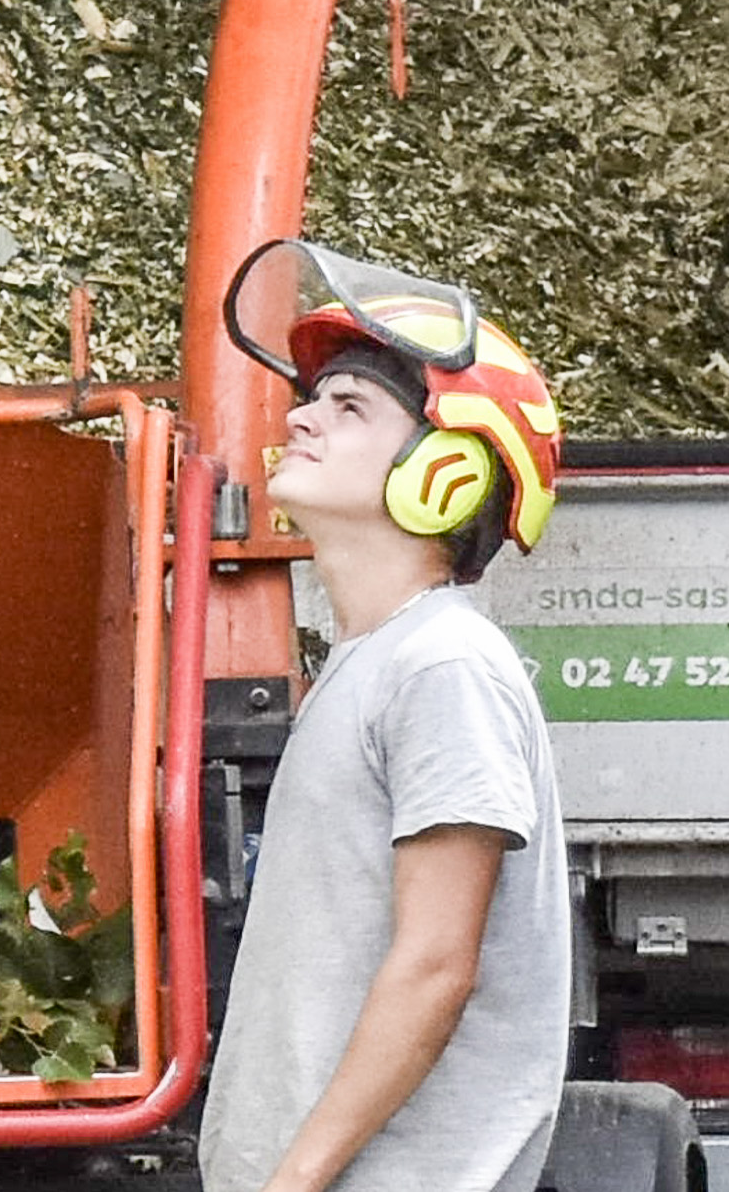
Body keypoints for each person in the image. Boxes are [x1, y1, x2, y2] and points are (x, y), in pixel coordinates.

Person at [198, 242, 570, 1192]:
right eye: (315, 397)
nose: (302, 416)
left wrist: (294, 1182)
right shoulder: (377, 664)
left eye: (348, 405)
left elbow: (437, 964)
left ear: (444, 477)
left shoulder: (443, 667)